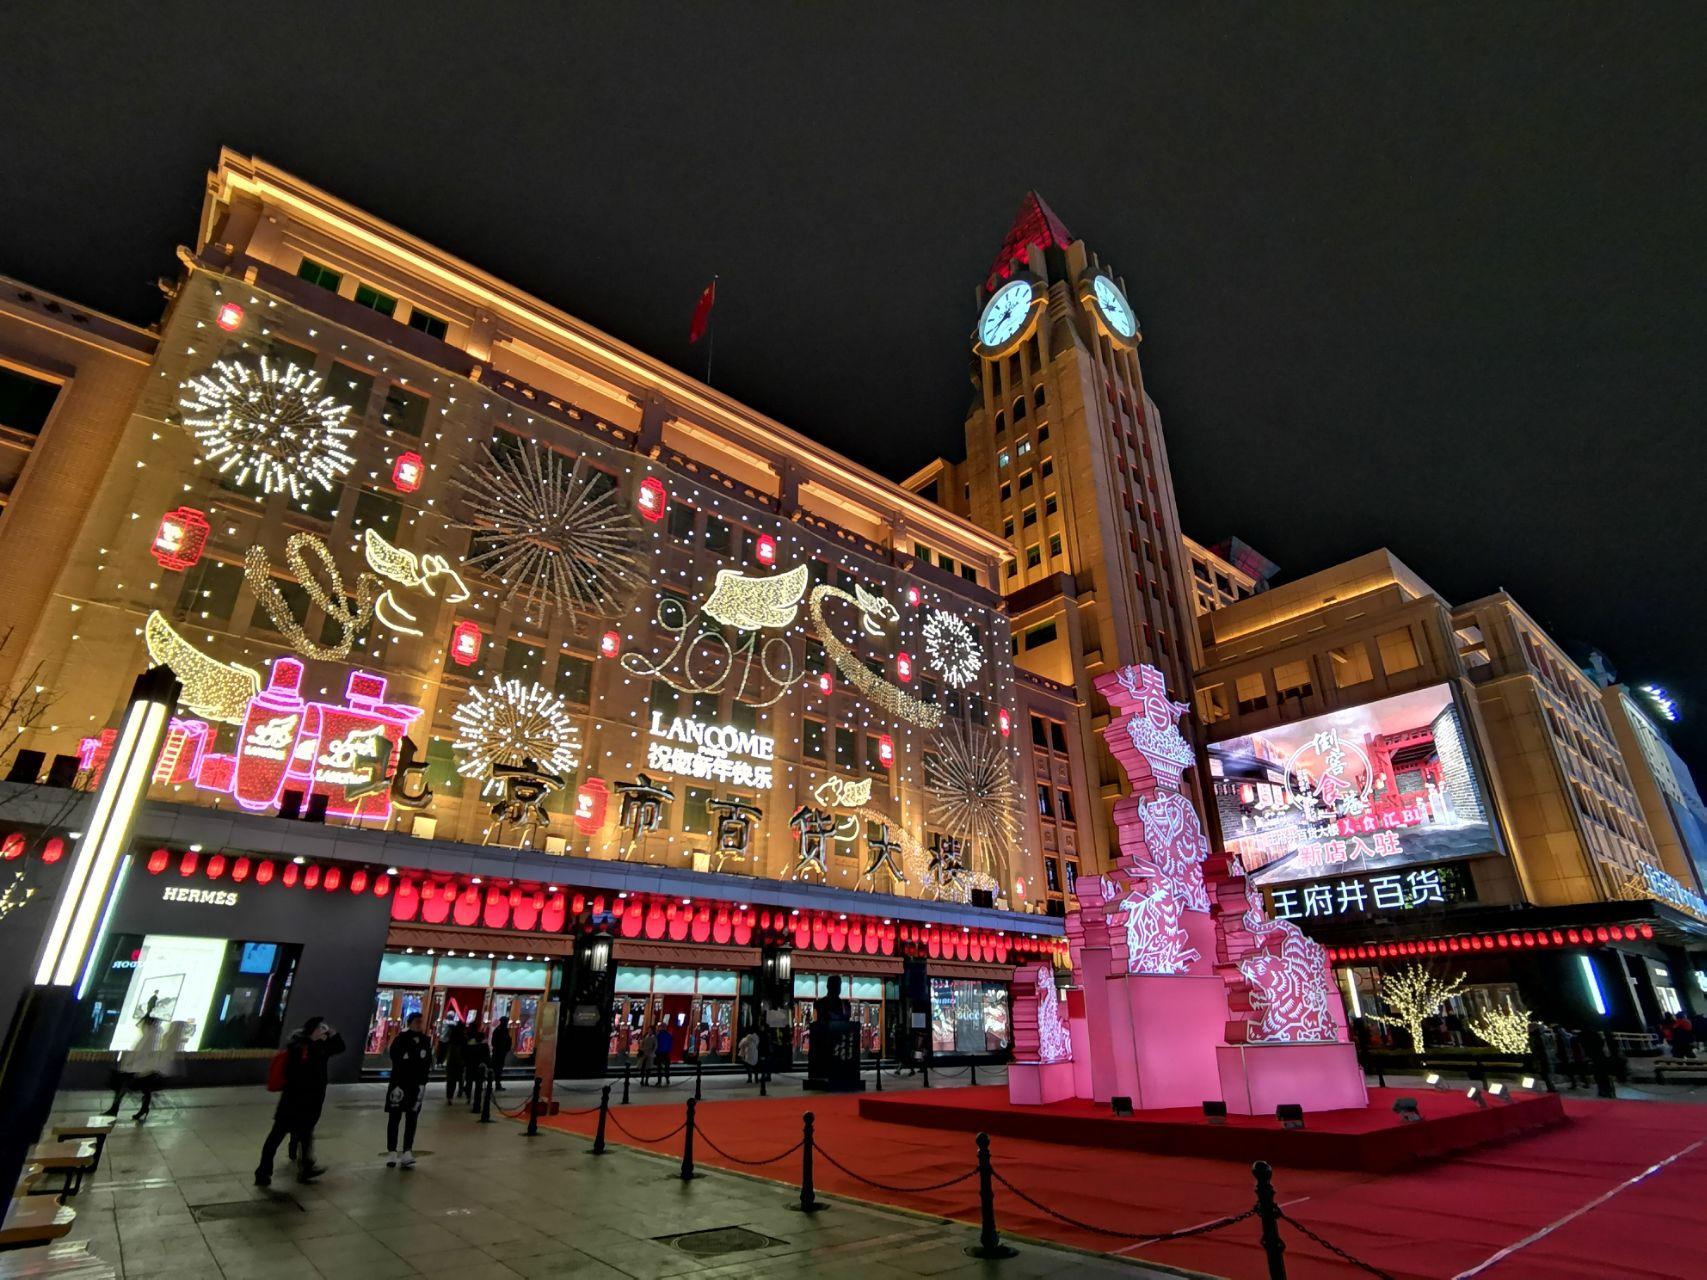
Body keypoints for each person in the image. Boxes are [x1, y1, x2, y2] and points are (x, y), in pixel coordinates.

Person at [256, 1016, 345, 1186]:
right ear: (313, 1030)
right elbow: (294, 1074)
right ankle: (263, 1171)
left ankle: (305, 1168)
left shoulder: (319, 1047)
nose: (324, 1031)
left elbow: (340, 1047)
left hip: (308, 1102)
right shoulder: (300, 1048)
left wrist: (333, 1034)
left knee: (305, 1136)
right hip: (293, 1102)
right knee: (276, 1137)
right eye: (321, 1028)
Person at [385, 1012, 432, 1168]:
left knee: (412, 1118)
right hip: (399, 1084)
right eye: (417, 1021)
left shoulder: (425, 1041)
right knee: (395, 1117)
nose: (420, 1024)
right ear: (410, 1022)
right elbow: (398, 1059)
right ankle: (392, 1151)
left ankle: (407, 1150)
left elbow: (426, 1061)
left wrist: (423, 1080)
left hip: (416, 1085)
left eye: (421, 1021)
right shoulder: (400, 1039)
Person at [104, 1015, 163, 1121]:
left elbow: (143, 1053)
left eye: (145, 1024)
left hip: (141, 1069)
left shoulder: (150, 1037)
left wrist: (132, 1064)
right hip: (140, 1068)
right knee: (144, 1089)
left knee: (126, 1087)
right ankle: (142, 1109)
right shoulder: (150, 1035)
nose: (142, 1026)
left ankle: (115, 1109)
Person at [440, 1017, 467, 1104]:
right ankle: (460, 1090)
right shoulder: (463, 1038)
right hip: (460, 1061)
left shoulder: (452, 1037)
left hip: (451, 1060)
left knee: (451, 1080)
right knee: (460, 1077)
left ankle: (450, 1096)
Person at [464, 1026, 491, 1100]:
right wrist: (488, 1065)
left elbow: (465, 1054)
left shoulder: (470, 1043)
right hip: (480, 1065)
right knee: (479, 1083)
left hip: (470, 1064)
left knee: (469, 1081)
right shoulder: (484, 1045)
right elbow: (487, 1056)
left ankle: (468, 1096)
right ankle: (476, 1099)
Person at [489, 1016, 512, 1091]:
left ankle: (497, 1084)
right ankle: (495, 1084)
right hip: (498, 1052)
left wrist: (507, 1048)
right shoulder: (499, 1030)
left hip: (501, 1052)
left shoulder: (503, 1030)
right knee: (496, 1068)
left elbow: (508, 1040)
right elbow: (494, 1042)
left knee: (498, 1068)